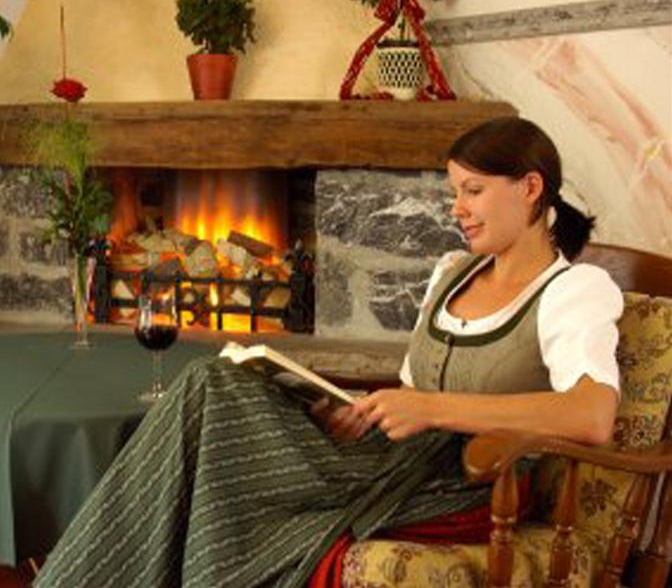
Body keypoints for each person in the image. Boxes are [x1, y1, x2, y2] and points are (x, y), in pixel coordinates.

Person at [33, 117, 622, 588]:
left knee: (208, 402)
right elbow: (411, 393)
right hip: (391, 453)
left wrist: (431, 408)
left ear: (530, 188)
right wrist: (357, 409)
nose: (456, 209)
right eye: (454, 193)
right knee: (212, 382)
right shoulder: (453, 272)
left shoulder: (573, 290)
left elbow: (592, 414)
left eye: (473, 191)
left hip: (464, 480)